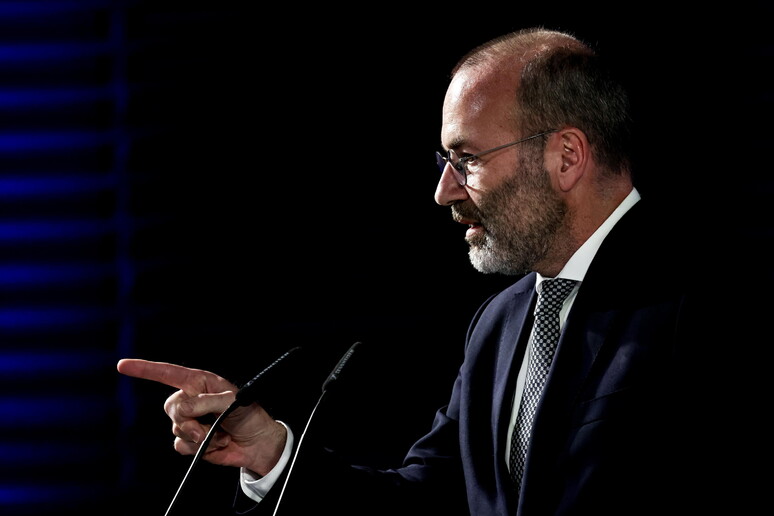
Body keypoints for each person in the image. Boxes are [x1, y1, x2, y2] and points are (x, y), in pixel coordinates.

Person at [117, 27, 763, 515]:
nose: (444, 191)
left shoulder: (708, 296)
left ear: (567, 157)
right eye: (444, 162)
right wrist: (269, 452)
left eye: (467, 159)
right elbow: (424, 502)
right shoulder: (500, 325)